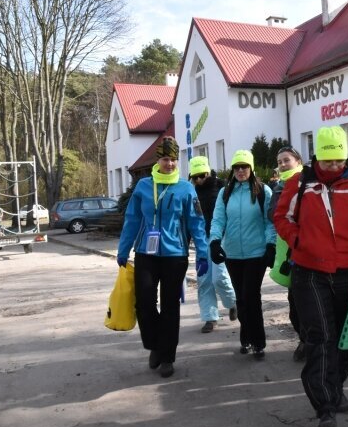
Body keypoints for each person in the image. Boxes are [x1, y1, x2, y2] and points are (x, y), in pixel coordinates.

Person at [274, 125, 348, 427]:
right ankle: (325, 408)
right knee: (320, 337)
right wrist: (299, 241)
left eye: (339, 161)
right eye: (327, 162)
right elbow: (281, 217)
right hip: (308, 273)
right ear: (317, 158)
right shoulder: (300, 183)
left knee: (345, 339)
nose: (334, 167)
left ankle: (335, 389)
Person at [116, 136, 209, 378]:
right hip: (146, 252)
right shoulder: (144, 186)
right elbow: (132, 219)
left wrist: (203, 252)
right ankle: (155, 345)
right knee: (144, 303)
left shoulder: (185, 188)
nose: (170, 164)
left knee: (170, 307)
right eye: (166, 159)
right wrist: (123, 249)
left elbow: (196, 223)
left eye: (174, 160)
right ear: (158, 160)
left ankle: (167, 356)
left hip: (175, 255)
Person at [209, 149, 276, 359]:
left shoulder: (262, 191)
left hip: (256, 253)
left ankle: (258, 341)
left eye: (244, 167)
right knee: (241, 299)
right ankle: (245, 335)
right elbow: (219, 219)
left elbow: (269, 221)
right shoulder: (225, 193)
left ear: (251, 168)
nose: (240, 171)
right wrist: (214, 241)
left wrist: (271, 245)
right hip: (233, 254)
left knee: (251, 296)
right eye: (236, 167)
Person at [267, 145, 306, 361]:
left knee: (306, 301)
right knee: (295, 304)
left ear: (298, 161)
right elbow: (272, 214)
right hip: (287, 251)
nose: (282, 164)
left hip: (306, 248)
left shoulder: (307, 182)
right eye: (280, 161)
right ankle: (304, 339)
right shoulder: (278, 186)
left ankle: (312, 343)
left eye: (286, 160)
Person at [189, 156, 237, 333]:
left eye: (202, 175)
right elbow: (188, 219)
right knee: (204, 280)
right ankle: (210, 318)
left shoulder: (223, 188)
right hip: (201, 241)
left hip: (221, 239)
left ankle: (233, 302)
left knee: (219, 277)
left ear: (208, 172)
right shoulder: (191, 192)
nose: (199, 179)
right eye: (195, 177)